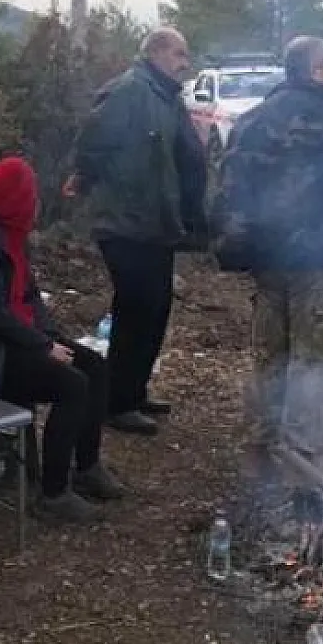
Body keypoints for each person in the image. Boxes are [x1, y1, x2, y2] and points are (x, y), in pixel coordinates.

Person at [210, 36, 323, 533]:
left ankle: (260, 451)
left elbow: (228, 188)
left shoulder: (253, 121)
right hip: (318, 262)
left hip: (268, 262)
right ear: (318, 69)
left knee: (272, 355)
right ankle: (302, 465)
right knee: (316, 359)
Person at [0, 157, 124, 525]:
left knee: (93, 365)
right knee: (71, 384)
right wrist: (42, 347)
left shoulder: (9, 239)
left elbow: (29, 298)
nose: (36, 204)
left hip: (6, 344)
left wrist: (48, 337)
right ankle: (53, 494)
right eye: (30, 196)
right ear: (13, 199)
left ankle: (87, 467)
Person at [70, 27, 208, 437]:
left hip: (157, 224)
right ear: (156, 54)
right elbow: (91, 143)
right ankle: (117, 402)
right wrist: (99, 183)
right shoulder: (130, 91)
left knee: (157, 307)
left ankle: (134, 389)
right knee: (136, 309)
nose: (185, 62)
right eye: (179, 54)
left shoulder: (167, 96)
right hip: (126, 222)